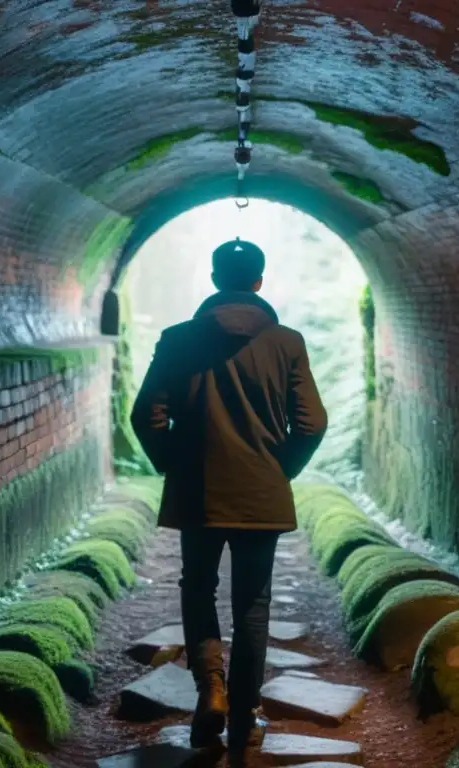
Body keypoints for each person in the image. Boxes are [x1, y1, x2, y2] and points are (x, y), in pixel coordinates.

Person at [130, 238, 328, 762]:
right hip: (260, 494)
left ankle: (209, 691)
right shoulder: (287, 342)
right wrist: (279, 469)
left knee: (197, 588)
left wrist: (174, 464)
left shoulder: (177, 340)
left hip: (198, 492)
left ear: (215, 279)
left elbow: (144, 414)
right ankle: (243, 716)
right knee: (253, 605)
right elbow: (312, 422)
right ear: (259, 282)